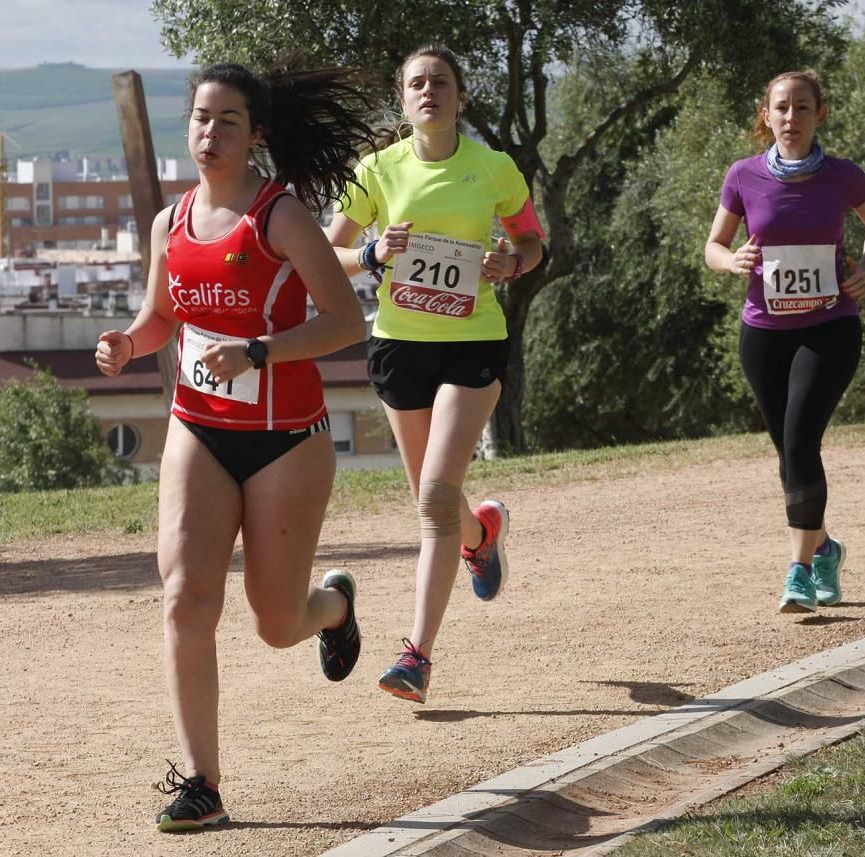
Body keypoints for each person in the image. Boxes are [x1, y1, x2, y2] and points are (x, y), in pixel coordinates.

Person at [95, 61, 377, 830]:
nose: (209, 132)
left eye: (227, 120)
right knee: (186, 596)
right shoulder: (171, 222)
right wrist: (127, 340)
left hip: (286, 439)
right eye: (200, 117)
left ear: (255, 134)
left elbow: (346, 319)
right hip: (199, 429)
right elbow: (161, 317)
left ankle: (334, 607)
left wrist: (261, 350)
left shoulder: (278, 217)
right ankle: (203, 783)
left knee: (275, 620)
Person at [325, 45, 546, 704]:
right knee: (435, 495)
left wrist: (513, 264)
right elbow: (329, 253)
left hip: (473, 341)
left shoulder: (494, 168)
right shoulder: (376, 172)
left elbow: (532, 241)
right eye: (417, 83)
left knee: (432, 497)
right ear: (403, 100)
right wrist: (371, 250)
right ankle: (481, 536)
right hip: (400, 346)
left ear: (460, 95)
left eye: (441, 82)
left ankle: (416, 655)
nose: (429, 92)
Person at [704, 70, 865, 613]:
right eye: (781, 108)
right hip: (763, 333)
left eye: (802, 108)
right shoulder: (742, 175)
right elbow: (714, 245)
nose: (791, 118)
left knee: (801, 439)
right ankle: (826, 545)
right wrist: (731, 260)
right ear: (766, 115)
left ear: (820, 115)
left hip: (831, 326)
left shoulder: (843, 176)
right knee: (788, 451)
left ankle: (800, 570)